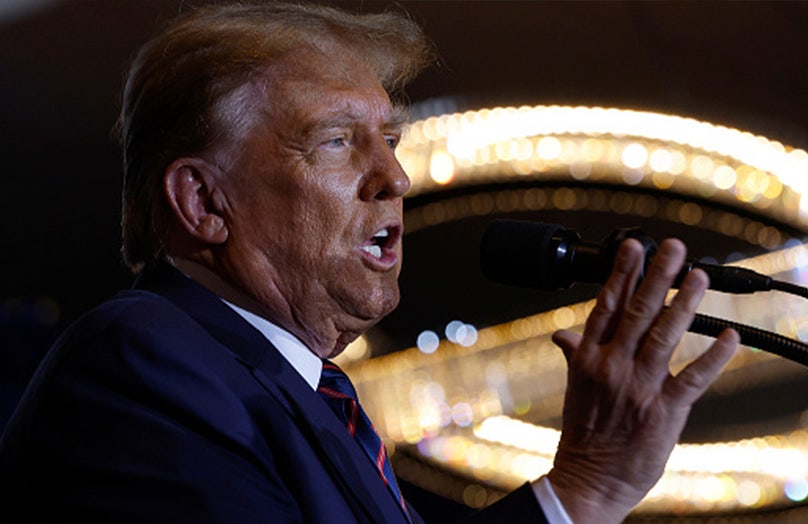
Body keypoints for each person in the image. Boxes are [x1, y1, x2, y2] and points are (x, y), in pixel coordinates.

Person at [0, 3, 738, 523]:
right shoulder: (143, 360)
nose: (395, 179)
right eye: (335, 141)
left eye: (391, 141)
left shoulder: (322, 400)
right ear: (202, 201)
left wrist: (590, 490)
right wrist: (578, 488)